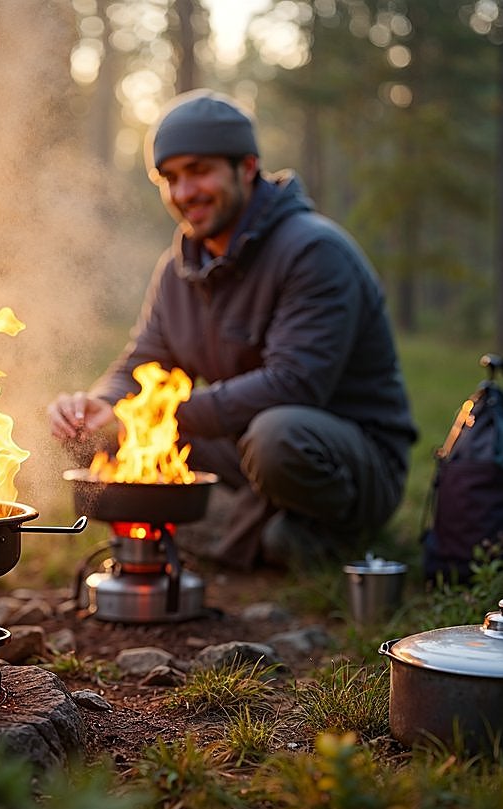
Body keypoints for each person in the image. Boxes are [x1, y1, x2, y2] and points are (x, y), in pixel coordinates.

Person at [48, 89, 417, 570]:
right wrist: (98, 404)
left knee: (276, 436)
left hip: (345, 459)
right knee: (109, 433)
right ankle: (265, 537)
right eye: (170, 178)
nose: (183, 193)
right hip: (243, 454)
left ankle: (314, 536)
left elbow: (295, 384)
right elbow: (142, 363)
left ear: (247, 167)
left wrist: (157, 413)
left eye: (198, 171)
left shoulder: (314, 251)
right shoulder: (177, 269)